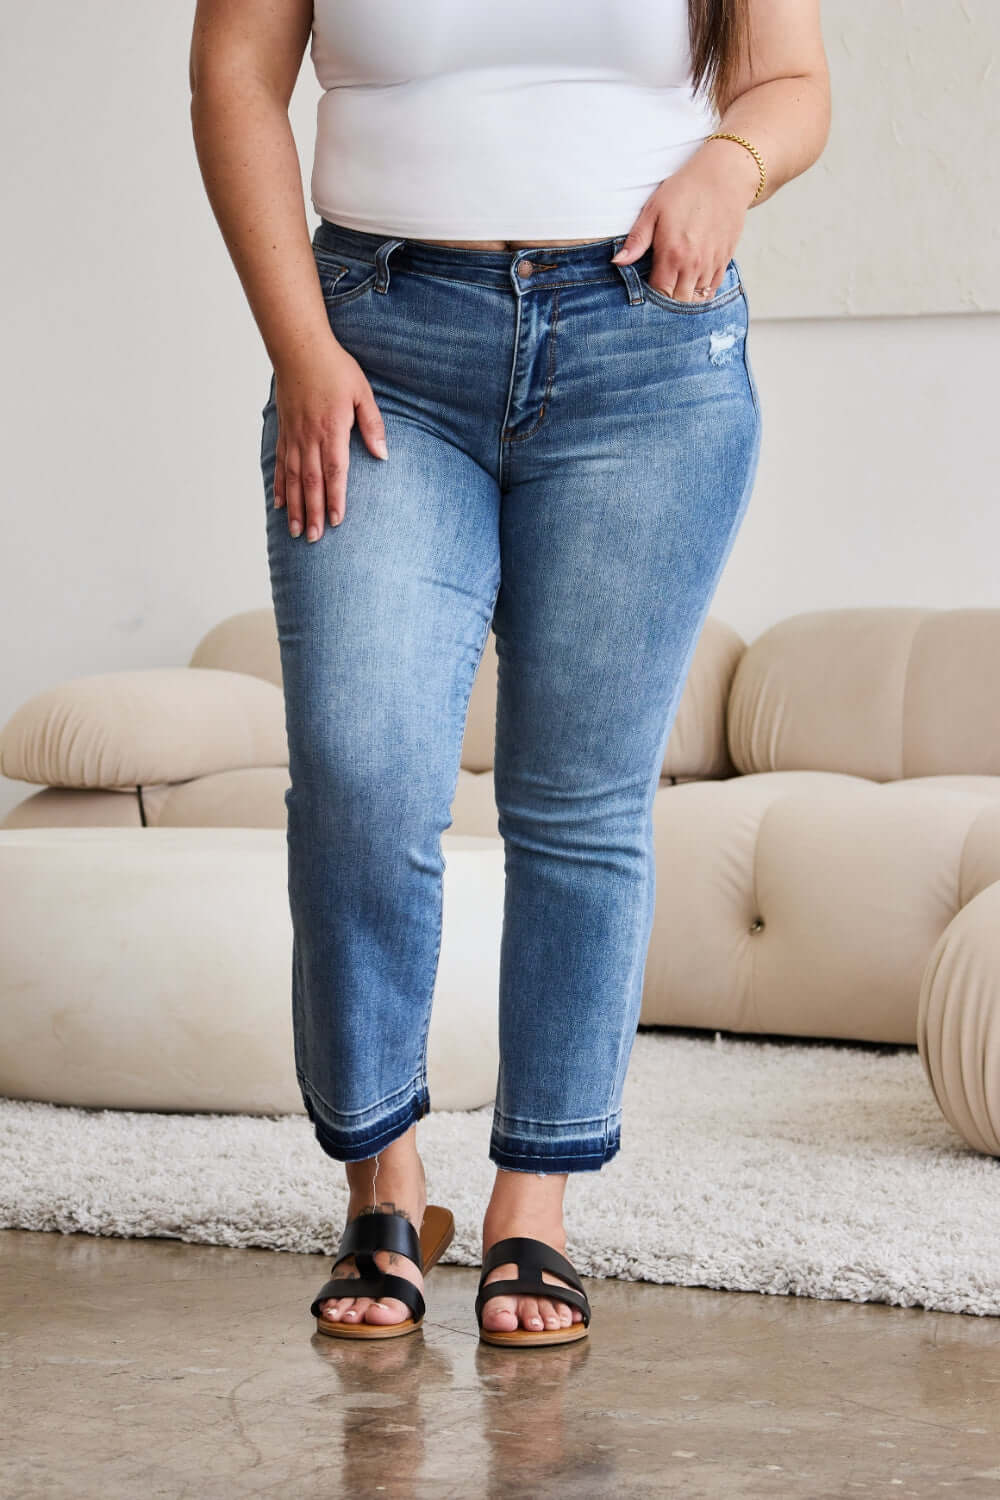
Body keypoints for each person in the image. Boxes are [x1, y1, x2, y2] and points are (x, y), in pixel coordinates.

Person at [189, 0, 830, 1347]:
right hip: (379, 343)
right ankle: (385, 1177)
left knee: (581, 797)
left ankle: (530, 1206)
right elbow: (234, 78)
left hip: (643, 348)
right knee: (361, 768)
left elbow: (789, 81)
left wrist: (732, 164)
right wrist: (299, 348)